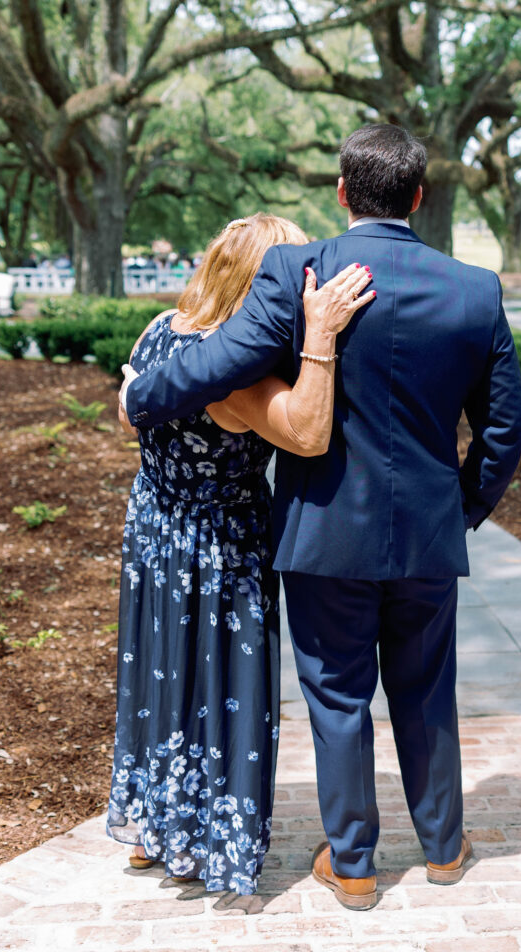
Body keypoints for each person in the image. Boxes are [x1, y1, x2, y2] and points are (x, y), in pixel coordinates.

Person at [121, 124, 521, 910]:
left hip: (321, 532)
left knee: (338, 698)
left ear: (342, 192)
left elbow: (220, 364)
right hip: (426, 539)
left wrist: (142, 394)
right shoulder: (476, 289)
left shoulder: (297, 270)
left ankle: (355, 863)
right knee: (424, 689)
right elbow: (502, 431)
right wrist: (461, 508)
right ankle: (444, 848)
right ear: (418, 196)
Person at [108, 213, 374, 894]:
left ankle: (149, 829)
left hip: (153, 526)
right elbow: (308, 434)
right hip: (220, 540)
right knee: (217, 689)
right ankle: (202, 840)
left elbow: (125, 411)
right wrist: (318, 340)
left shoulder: (160, 330)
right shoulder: (239, 378)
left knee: (158, 679)